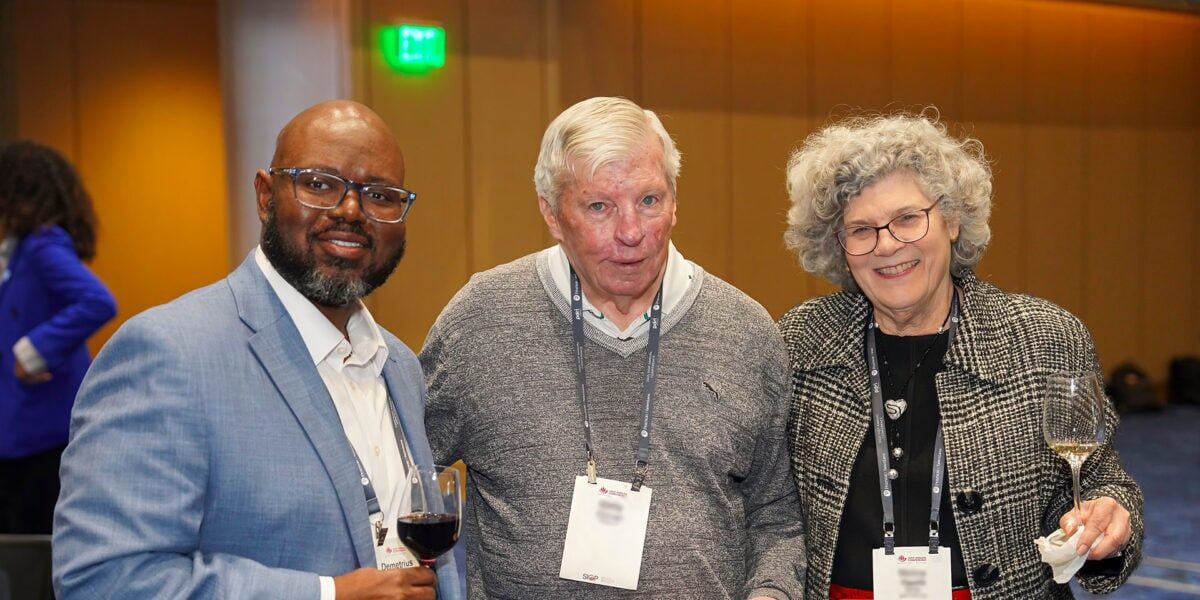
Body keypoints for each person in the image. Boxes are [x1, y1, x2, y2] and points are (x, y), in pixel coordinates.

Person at [53, 100, 463, 600]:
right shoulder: (169, 354)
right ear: (266, 196)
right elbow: (105, 579)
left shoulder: (398, 364)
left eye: (379, 195)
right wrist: (328, 595)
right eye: (319, 184)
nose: (351, 211)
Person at [421, 96, 805, 599]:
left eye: (649, 200)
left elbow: (777, 515)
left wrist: (771, 593)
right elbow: (403, 478)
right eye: (599, 206)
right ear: (552, 214)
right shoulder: (480, 320)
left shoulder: (746, 332)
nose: (631, 232)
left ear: (675, 201)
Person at [777, 113, 1143, 598]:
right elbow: (767, 501)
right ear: (838, 246)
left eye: (908, 219)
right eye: (861, 229)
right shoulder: (801, 340)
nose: (887, 245)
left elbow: (1098, 477)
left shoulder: (1044, 338)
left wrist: (1109, 515)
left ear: (951, 220)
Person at [0, 141, 117, 535]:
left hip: (42, 432)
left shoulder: (42, 245)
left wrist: (33, 352)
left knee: (38, 542)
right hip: (24, 431)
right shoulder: (20, 250)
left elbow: (97, 301)